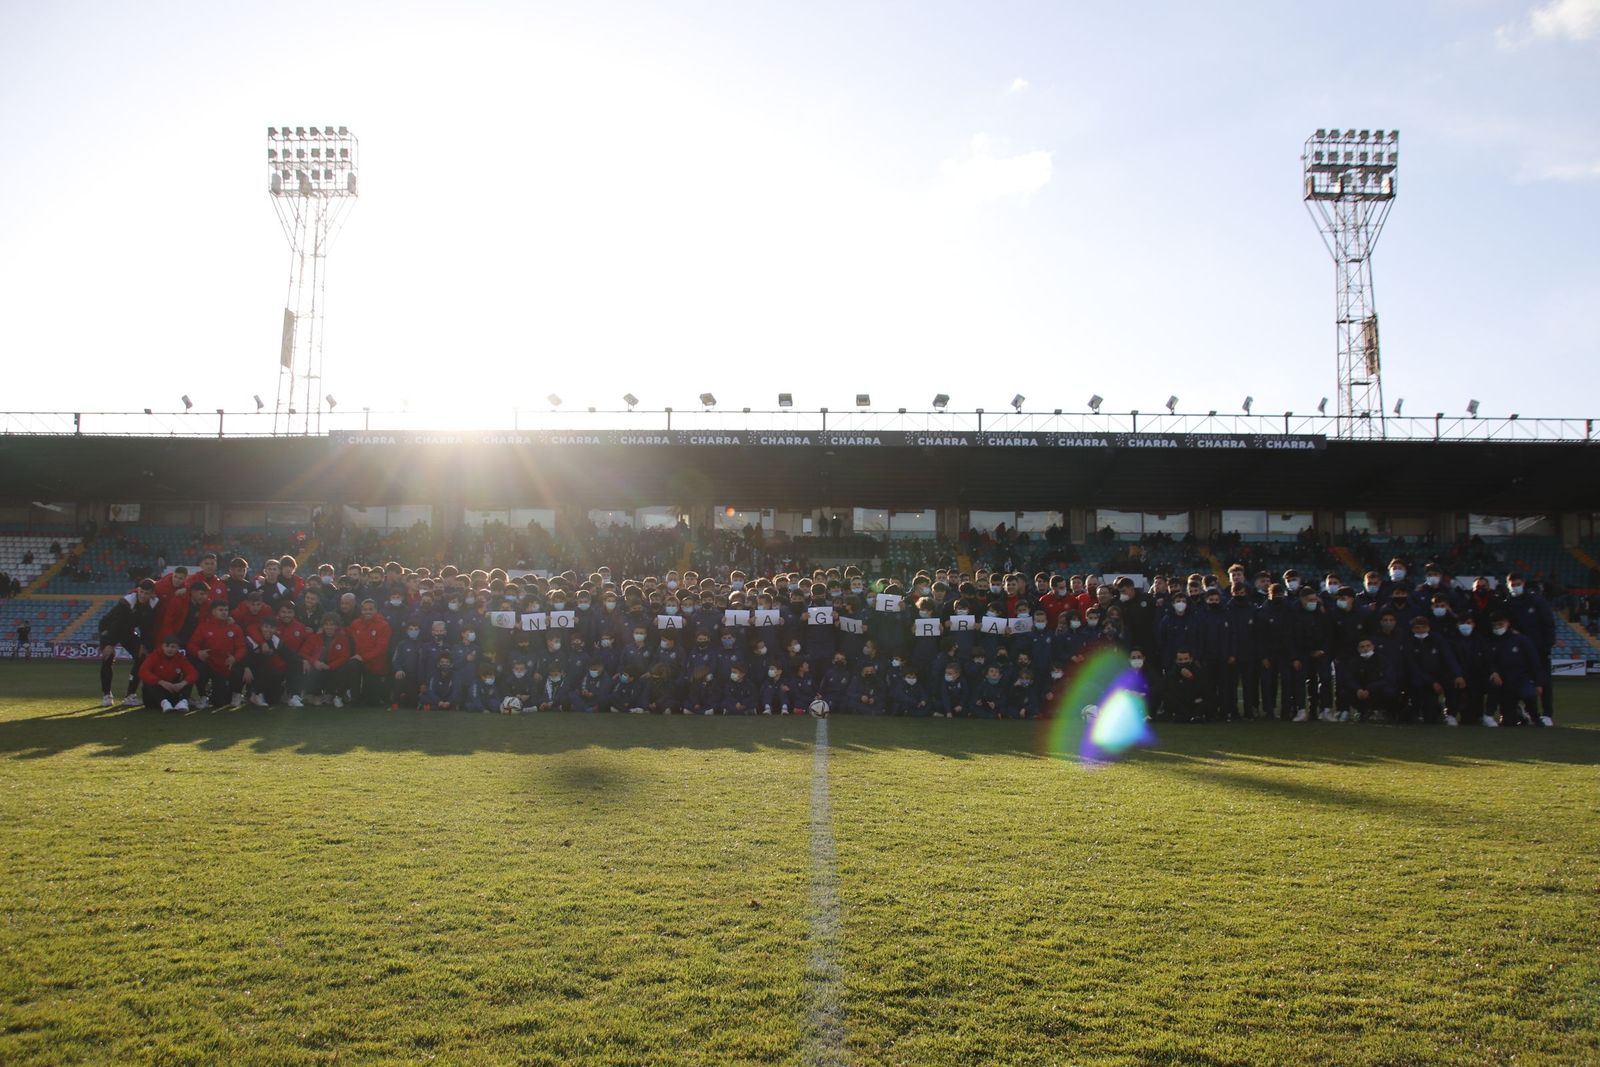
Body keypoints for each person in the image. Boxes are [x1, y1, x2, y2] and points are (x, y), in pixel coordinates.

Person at [97, 579, 158, 706]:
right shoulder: (126, 602)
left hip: (128, 632)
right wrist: (109, 644)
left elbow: (147, 627)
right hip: (109, 629)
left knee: (141, 657)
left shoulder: (153, 604)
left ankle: (130, 695)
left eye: (146, 593)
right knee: (108, 657)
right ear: (138, 590)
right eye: (141, 592)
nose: (143, 595)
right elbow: (116, 624)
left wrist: (144, 644)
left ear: (152, 593)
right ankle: (106, 695)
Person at [138, 634, 198, 711]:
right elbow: (142, 671)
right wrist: (161, 682)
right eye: (167, 646)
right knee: (148, 681)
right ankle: (164, 703)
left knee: (188, 680)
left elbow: (193, 673)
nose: (169, 649)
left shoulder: (180, 658)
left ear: (178, 648)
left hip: (172, 689)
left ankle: (183, 702)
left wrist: (182, 684)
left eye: (173, 647)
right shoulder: (154, 656)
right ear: (162, 646)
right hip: (155, 694)